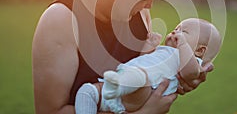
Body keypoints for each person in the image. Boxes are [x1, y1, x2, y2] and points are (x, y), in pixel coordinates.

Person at [32, 0, 213, 114]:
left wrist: (180, 75)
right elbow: (51, 111)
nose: (149, 6)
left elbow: (143, 80)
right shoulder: (60, 21)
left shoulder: (140, 15)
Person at [75, 18, 221, 114]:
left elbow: (190, 73)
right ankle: (117, 86)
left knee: (141, 77)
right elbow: (141, 60)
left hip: (142, 93)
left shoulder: (190, 60)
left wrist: (182, 44)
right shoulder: (163, 51)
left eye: (184, 32)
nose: (176, 32)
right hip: (121, 84)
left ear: (199, 50)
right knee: (86, 91)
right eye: (176, 28)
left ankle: (119, 85)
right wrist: (148, 46)